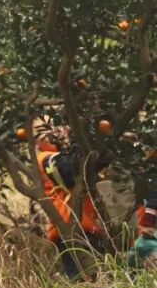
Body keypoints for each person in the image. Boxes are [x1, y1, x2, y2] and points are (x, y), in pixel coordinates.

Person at [31, 116, 107, 279]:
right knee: (83, 280)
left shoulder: (59, 154)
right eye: (41, 129)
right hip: (71, 228)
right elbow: (70, 170)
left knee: (98, 279)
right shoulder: (46, 158)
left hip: (86, 226)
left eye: (54, 124)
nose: (51, 130)